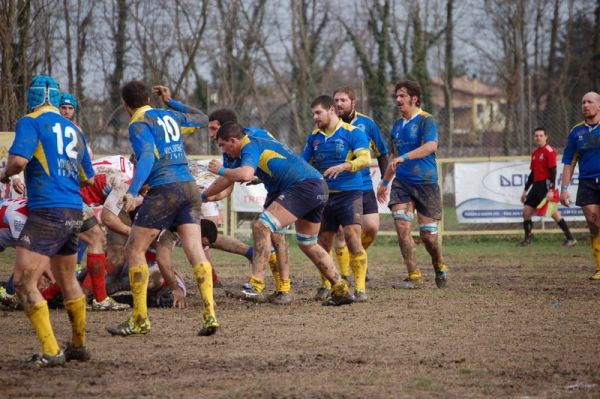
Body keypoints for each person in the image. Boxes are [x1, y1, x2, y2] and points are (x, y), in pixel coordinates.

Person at [105, 80, 219, 337]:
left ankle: (140, 319)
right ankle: (210, 313)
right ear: (148, 98)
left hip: (165, 189)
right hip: (189, 187)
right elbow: (202, 118)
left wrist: (133, 192)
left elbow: (146, 156)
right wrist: (170, 101)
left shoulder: (138, 122)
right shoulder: (167, 114)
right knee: (195, 249)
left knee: (134, 248)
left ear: (125, 105)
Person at [204, 121, 354, 306]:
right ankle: (341, 289)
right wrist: (205, 196)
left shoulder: (249, 145)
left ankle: (255, 285)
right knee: (307, 243)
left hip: (301, 186)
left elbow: (245, 174)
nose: (223, 151)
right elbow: (227, 181)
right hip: (315, 185)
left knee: (261, 226)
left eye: (222, 145)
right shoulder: (254, 134)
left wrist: (219, 169)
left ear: (233, 140)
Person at [0, 75, 95, 366]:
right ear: (56, 99)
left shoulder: (30, 121)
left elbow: (17, 162)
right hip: (72, 210)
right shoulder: (75, 130)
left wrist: (3, 175)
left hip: (47, 210)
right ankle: (78, 345)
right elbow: (87, 177)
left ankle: (52, 351)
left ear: (32, 97)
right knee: (67, 279)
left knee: (23, 283)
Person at [376, 80, 448, 289]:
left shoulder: (427, 120)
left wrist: (404, 158)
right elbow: (393, 156)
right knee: (401, 226)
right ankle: (414, 275)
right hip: (403, 184)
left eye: (402, 96)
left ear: (414, 98)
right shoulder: (397, 126)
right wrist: (385, 182)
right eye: (396, 96)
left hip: (426, 183)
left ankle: (439, 264)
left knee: (428, 237)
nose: (398, 100)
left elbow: (430, 146)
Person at [303, 95, 371, 302]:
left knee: (352, 237)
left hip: (349, 193)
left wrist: (343, 166)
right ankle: (327, 284)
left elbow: (365, 159)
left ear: (331, 110)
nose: (315, 117)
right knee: (322, 242)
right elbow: (302, 163)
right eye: (313, 113)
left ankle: (360, 289)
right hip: (323, 195)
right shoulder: (314, 137)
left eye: (318, 113)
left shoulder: (353, 133)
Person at [331, 87, 389, 281]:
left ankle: (358, 257)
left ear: (353, 103)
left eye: (343, 100)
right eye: (336, 100)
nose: (339, 104)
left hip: (363, 185)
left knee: (371, 227)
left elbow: (381, 153)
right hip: (338, 186)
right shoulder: (330, 124)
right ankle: (346, 274)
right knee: (339, 232)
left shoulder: (367, 124)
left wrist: (385, 181)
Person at [559, 91, 600, 280]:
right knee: (594, 223)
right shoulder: (576, 132)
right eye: (583, 102)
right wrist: (564, 189)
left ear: (598, 106)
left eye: (589, 102)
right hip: (587, 182)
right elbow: (569, 162)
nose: (585, 105)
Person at [519, 127, 576, 247]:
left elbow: (553, 171)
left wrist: (551, 190)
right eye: (536, 136)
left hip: (545, 186)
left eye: (541, 135)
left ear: (546, 137)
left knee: (554, 213)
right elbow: (532, 174)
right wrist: (525, 191)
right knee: (526, 212)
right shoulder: (535, 153)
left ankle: (570, 238)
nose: (538, 138)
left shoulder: (549, 151)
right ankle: (528, 239)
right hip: (535, 186)